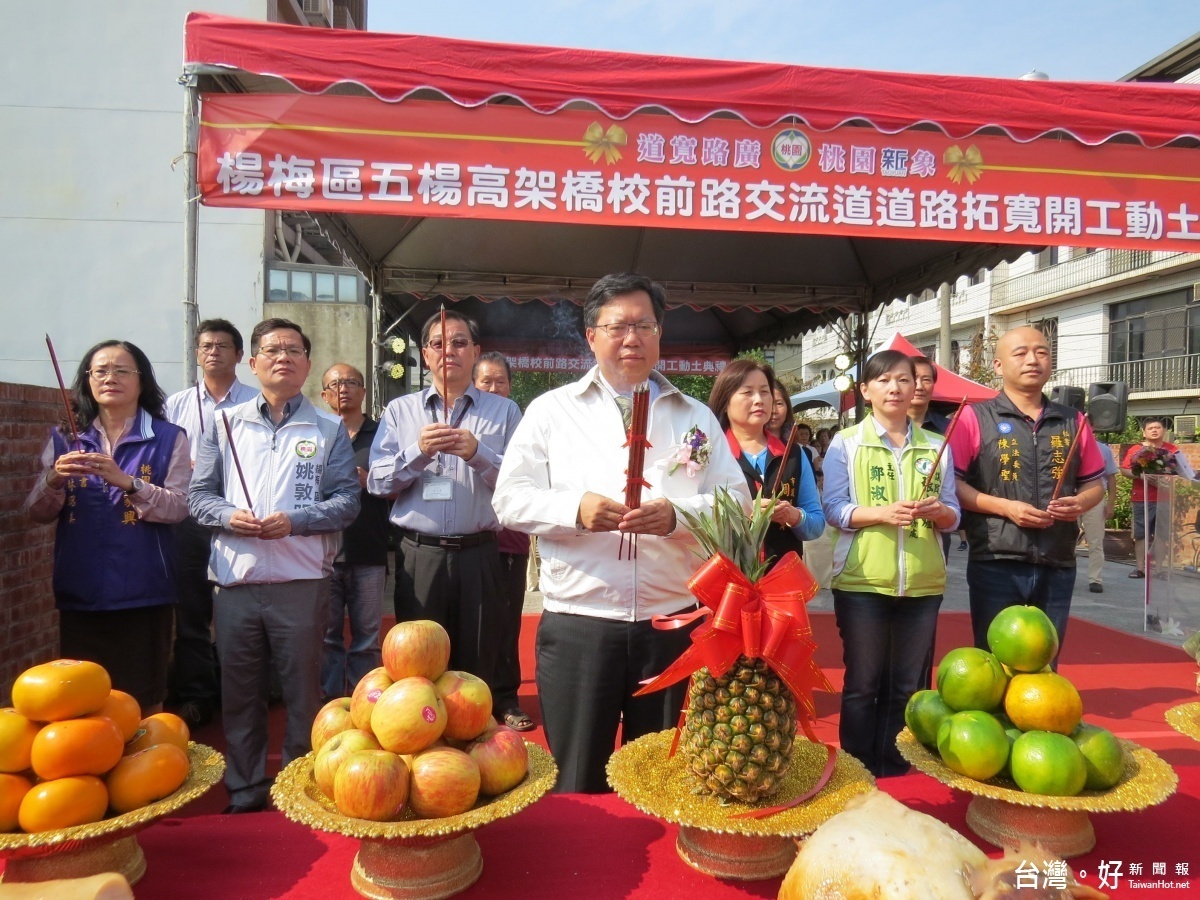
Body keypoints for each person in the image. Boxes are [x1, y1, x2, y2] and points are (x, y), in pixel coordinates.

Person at [493, 273, 748, 793]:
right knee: (576, 779)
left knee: (661, 777)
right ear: (591, 335)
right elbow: (508, 499)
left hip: (671, 624)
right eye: (618, 326)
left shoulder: (694, 415)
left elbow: (737, 505)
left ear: (660, 334)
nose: (632, 338)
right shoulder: (552, 411)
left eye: (645, 325)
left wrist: (678, 515)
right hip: (581, 624)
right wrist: (574, 508)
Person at [189, 318, 359, 813]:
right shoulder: (225, 424)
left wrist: (298, 521)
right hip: (236, 583)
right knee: (240, 695)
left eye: (294, 349)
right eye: (272, 349)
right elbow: (198, 498)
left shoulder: (327, 428)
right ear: (253, 362)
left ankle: (296, 784)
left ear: (307, 363)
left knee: (304, 693)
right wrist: (227, 516)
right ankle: (243, 787)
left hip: (301, 582)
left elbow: (347, 502)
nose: (283, 356)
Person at [26, 340, 190, 713]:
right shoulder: (67, 440)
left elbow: (179, 508)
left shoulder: (168, 438)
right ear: (88, 381)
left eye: (121, 370)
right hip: (81, 590)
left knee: (141, 702)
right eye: (100, 371)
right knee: (82, 706)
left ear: (142, 381)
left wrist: (129, 482)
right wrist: (53, 478)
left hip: (143, 589)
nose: (110, 378)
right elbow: (36, 511)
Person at [821, 350, 960, 777]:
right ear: (865, 391)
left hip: (922, 584)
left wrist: (939, 513)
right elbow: (834, 509)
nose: (897, 388)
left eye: (905, 380)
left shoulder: (936, 446)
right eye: (884, 381)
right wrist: (881, 513)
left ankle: (895, 767)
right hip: (863, 582)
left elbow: (954, 514)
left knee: (905, 687)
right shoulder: (846, 443)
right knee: (862, 684)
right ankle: (856, 769)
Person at [368, 312, 522, 689]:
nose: (448, 351)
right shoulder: (400, 411)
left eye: (459, 342)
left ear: (475, 351)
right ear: (424, 354)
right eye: (438, 343)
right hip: (421, 556)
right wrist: (417, 452)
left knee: (475, 670)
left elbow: (522, 484)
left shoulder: (504, 412)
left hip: (482, 554)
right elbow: (377, 481)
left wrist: (478, 453)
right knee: (417, 672)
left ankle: (476, 743)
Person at [948, 326, 1105, 658]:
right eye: (1020, 353)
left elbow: (1094, 483)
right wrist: (1006, 508)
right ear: (998, 366)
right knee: (992, 663)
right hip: (996, 557)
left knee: (1044, 664)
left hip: (1057, 558)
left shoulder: (1074, 420)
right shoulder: (973, 418)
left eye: (1042, 352)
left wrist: (1079, 502)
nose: (1033, 360)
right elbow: (954, 486)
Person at [163, 318, 258, 729]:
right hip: (187, 521)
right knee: (192, 612)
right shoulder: (175, 406)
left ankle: (252, 690)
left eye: (222, 345)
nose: (213, 352)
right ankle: (198, 695)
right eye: (205, 346)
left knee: (244, 610)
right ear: (197, 354)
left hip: (240, 520)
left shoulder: (256, 402)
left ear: (239, 356)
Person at [318, 364, 391, 700]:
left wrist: (371, 481)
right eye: (334, 384)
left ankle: (365, 704)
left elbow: (400, 484)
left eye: (350, 382)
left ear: (364, 392)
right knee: (327, 636)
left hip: (369, 549)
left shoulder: (382, 435)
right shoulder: (314, 434)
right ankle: (331, 704)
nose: (342, 388)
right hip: (323, 552)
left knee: (366, 638)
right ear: (323, 395)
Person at [708, 359, 825, 564]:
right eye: (747, 392)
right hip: (725, 585)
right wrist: (742, 513)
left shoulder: (794, 455)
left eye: (764, 392)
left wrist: (793, 516)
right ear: (725, 401)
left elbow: (816, 525)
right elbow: (689, 524)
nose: (759, 400)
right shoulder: (707, 453)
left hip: (781, 584)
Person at [471, 351, 534, 732]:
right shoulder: (464, 419)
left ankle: (506, 698)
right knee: (473, 625)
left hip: (508, 541)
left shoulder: (520, 422)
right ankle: (471, 702)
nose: (494, 388)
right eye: (486, 381)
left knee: (505, 623)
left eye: (501, 381)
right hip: (470, 541)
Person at [1078, 423, 1118, 593]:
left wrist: (1110, 504)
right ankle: (1062, 575)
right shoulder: (1064, 445)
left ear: (1093, 427)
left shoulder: (1103, 450)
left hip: (1094, 499)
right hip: (1068, 498)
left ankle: (1095, 579)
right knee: (1064, 541)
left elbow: (1111, 479)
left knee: (1095, 541)